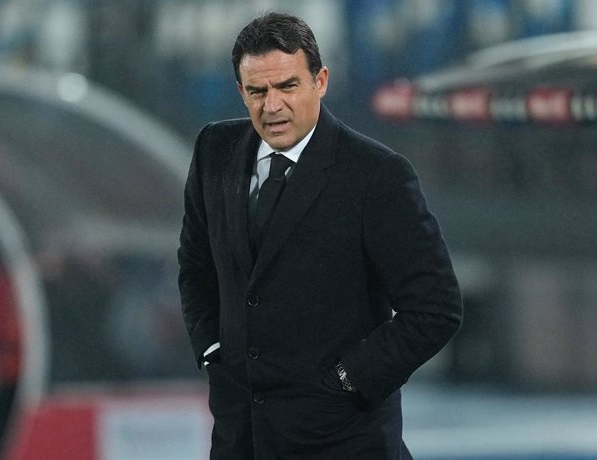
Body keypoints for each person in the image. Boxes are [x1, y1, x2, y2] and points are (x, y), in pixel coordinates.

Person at [178, 12, 463, 459]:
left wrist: (349, 379)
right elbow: (195, 266)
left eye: (287, 86)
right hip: (241, 440)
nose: (272, 106)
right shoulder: (214, 151)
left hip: (343, 442)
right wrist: (214, 349)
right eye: (257, 91)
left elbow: (436, 309)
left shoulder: (377, 176)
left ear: (321, 81)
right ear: (241, 91)